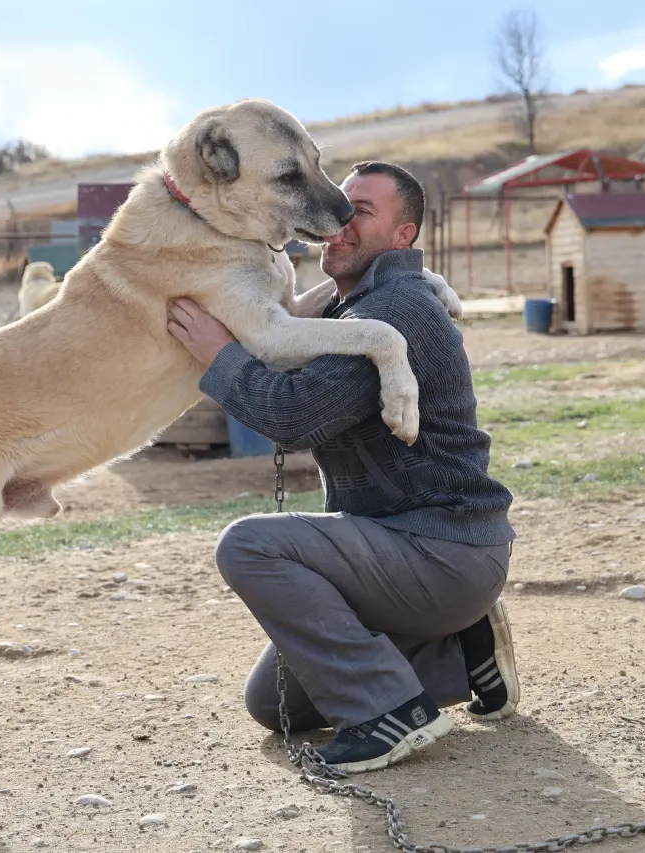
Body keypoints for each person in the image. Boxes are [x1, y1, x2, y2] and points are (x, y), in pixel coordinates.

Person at [165, 161, 519, 775]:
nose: (339, 222)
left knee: (249, 545)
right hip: (404, 555)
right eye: (341, 207)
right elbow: (284, 342)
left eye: (363, 212)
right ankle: (461, 650)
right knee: (276, 706)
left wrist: (218, 355)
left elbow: (295, 417)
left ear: (403, 236)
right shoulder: (354, 305)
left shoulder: (393, 311)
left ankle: (392, 714)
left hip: (441, 551)